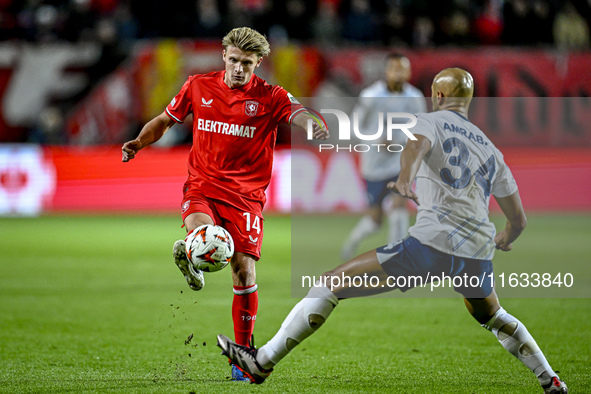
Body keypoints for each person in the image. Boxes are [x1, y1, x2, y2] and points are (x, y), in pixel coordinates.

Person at [216, 68, 568, 393]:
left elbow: (415, 146)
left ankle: (260, 363)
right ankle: (550, 379)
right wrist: (507, 235)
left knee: (330, 283)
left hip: (431, 245)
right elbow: (518, 218)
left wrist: (403, 177)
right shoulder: (491, 148)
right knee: (492, 315)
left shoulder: (429, 122)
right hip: (476, 251)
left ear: (438, 96)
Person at [121, 27, 328, 381]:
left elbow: (299, 113)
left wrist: (313, 125)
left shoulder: (271, 96)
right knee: (205, 233)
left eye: (246, 63)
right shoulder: (198, 86)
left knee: (243, 270)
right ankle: (193, 251)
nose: (238, 69)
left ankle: (242, 353)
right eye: (233, 60)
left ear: (258, 63)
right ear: (224, 57)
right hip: (202, 185)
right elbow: (164, 121)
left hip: (246, 199)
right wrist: (139, 143)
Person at [341, 53, 426, 261]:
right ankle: (352, 242)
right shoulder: (371, 96)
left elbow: (422, 128)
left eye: (403, 69)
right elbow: (354, 127)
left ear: (409, 72)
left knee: (399, 202)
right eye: (394, 68)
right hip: (373, 164)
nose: (399, 73)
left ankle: (395, 255)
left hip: (399, 162)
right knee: (375, 220)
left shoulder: (415, 98)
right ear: (386, 72)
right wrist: (377, 140)